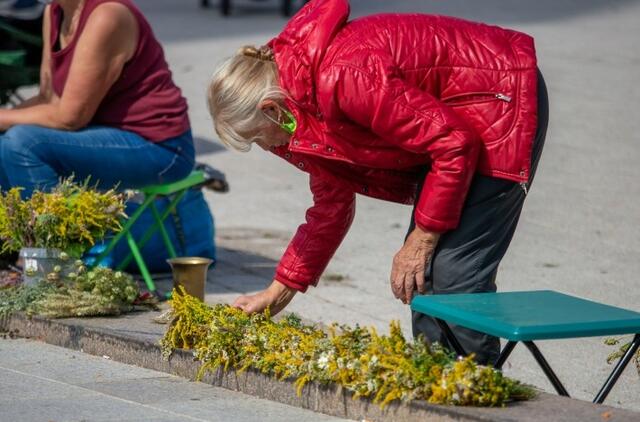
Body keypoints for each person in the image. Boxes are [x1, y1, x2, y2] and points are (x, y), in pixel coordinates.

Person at [207, 0, 548, 365]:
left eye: (259, 138)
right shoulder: (296, 110)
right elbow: (330, 207)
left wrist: (423, 236)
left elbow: (454, 143)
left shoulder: (344, 77)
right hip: (452, 133)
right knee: (422, 276)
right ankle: (437, 387)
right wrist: (276, 293)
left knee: (453, 273)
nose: (266, 147)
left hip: (500, 99)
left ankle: (476, 394)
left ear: (270, 109)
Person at [0, 0, 194, 196]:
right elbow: (47, 99)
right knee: (6, 142)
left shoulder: (107, 16)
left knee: (24, 144)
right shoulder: (54, 12)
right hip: (104, 135)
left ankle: (56, 226)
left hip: (161, 148)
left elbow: (70, 118)